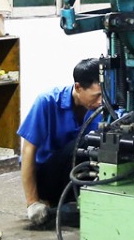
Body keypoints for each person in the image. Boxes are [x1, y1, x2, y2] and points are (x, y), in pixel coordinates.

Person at [20, 58, 103, 227]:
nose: (100, 101)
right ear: (78, 87)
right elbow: (28, 151)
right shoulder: (47, 101)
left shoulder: (100, 108)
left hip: (75, 175)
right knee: (84, 143)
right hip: (47, 178)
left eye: (103, 95)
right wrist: (32, 202)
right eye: (96, 95)